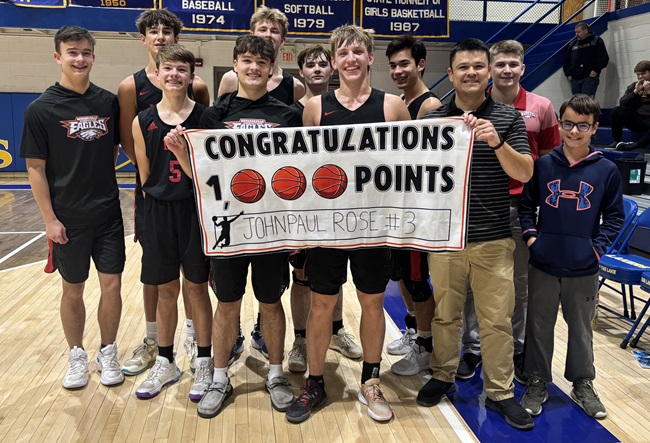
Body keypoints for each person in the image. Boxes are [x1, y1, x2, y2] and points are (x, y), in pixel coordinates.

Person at [166, 35, 300, 418]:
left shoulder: (287, 115)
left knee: (271, 303)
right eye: (246, 60)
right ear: (235, 65)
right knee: (227, 304)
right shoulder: (215, 114)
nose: (254, 67)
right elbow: (204, 178)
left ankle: (275, 374)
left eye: (262, 61)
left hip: (271, 225)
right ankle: (220, 377)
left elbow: (298, 178)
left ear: (272, 67)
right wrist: (181, 155)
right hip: (229, 225)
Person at [285, 25, 410, 424]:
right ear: (335, 61)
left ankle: (371, 382)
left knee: (372, 303)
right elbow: (304, 174)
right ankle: (316, 383)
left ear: (370, 58)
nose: (351, 59)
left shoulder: (392, 107)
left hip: (374, 226)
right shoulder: (315, 108)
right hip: (327, 226)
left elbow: (410, 171)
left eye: (358, 52)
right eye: (343, 53)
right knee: (321, 304)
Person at [416, 38, 534, 430]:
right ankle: (442, 374)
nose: (471, 73)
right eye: (462, 67)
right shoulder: (432, 122)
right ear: (450, 74)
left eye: (477, 67)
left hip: (493, 238)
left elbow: (524, 172)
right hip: (445, 239)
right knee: (446, 315)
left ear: (487, 73)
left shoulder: (507, 119)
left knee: (496, 320)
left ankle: (500, 392)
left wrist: (495, 142)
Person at [21, 25, 125, 390]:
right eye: (72, 52)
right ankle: (76, 354)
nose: (79, 58)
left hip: (108, 214)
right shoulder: (41, 108)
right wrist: (49, 219)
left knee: (112, 286)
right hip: (68, 219)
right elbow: (36, 168)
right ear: (57, 57)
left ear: (94, 56)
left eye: (85, 52)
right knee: (73, 290)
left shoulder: (108, 102)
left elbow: (112, 150)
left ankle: (108, 351)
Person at [457, 39, 561, 380]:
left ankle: (516, 348)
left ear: (522, 68)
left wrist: (542, 205)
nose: (505, 70)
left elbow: (548, 160)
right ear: (492, 69)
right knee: (471, 285)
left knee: (516, 285)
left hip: (520, 204)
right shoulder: (466, 110)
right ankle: (472, 348)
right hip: (475, 205)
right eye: (499, 63)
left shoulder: (541, 106)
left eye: (511, 64)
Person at [518, 93, 624, 420]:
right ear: (560, 124)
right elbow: (526, 207)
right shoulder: (543, 165)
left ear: (594, 128)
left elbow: (615, 217)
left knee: (580, 328)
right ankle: (537, 381)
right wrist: (533, 239)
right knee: (538, 326)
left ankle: (583, 382)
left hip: (584, 266)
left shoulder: (606, 170)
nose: (574, 131)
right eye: (568, 124)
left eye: (582, 125)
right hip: (543, 263)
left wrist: (594, 248)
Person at [117, 9, 211, 376]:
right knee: (157, 278)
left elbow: (208, 161)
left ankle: (196, 343)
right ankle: (156, 343)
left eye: (166, 31)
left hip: (193, 201)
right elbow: (132, 147)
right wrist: (154, 181)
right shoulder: (133, 90)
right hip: (155, 197)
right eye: (152, 31)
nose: (160, 36)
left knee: (196, 284)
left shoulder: (201, 100)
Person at [218, 6, 305, 356]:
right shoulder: (223, 100)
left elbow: (299, 163)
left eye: (273, 31)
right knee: (228, 296)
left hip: (272, 209)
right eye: (261, 29)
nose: (267, 34)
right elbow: (209, 156)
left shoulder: (291, 100)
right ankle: (226, 356)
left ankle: (270, 353)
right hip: (232, 207)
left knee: (270, 295)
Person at [286, 44, 362, 374]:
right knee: (302, 278)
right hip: (307, 207)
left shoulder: (344, 106)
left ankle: (337, 330)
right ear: (300, 72)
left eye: (321, 64)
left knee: (335, 278)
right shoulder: (292, 111)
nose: (316, 69)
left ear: (330, 68)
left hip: (344, 205)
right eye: (309, 64)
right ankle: (300, 339)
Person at [384, 33, 441, 376]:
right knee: (402, 275)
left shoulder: (429, 106)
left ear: (420, 64)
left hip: (417, 210)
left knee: (417, 280)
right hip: (396, 206)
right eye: (392, 65)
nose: (398, 70)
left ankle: (426, 344)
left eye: (405, 63)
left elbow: (421, 162)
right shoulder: (400, 103)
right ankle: (413, 330)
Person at [609, 60, 650, 151]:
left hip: (648, 120)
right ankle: (617, 140)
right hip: (637, 118)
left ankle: (635, 145)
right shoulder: (634, 86)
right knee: (617, 110)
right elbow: (622, 103)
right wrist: (635, 92)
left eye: (643, 73)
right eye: (638, 74)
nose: (640, 77)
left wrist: (649, 92)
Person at [563, 21, 609, 97]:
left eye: (579, 32)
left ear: (586, 31)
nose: (576, 34)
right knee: (576, 103)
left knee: (587, 102)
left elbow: (603, 58)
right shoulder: (573, 44)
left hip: (589, 77)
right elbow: (566, 61)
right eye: (576, 32)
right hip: (575, 78)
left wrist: (595, 70)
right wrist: (568, 73)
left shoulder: (596, 41)